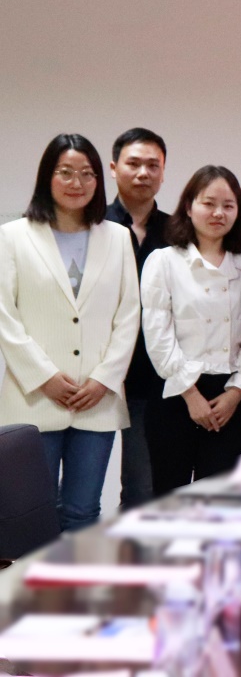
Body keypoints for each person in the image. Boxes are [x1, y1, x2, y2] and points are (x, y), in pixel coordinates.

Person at [0, 134, 140, 530]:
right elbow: (5, 316)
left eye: (87, 174)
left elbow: (129, 314)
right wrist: (44, 377)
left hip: (97, 400)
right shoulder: (13, 236)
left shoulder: (118, 237)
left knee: (83, 511)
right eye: (65, 172)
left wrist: (104, 378)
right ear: (47, 176)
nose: (76, 182)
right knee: (31, 513)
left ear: (98, 180)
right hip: (33, 397)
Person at [142, 166, 241, 495]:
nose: (218, 213)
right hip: (177, 392)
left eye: (228, 205)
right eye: (209, 203)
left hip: (230, 394)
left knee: (218, 498)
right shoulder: (164, 261)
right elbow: (157, 332)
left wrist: (236, 392)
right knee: (169, 495)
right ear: (189, 207)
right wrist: (190, 394)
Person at [104, 127, 169, 509]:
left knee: (142, 489)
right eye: (133, 163)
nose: (143, 173)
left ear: (163, 171)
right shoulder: (92, 224)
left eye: (153, 165)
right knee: (78, 492)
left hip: (151, 377)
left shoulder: (178, 230)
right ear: (114, 168)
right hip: (94, 374)